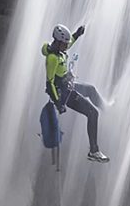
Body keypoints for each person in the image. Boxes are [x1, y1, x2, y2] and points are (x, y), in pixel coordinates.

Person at [42, 23, 110, 163]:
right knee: (92, 113)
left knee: (90, 89)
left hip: (67, 85)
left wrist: (77, 34)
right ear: (58, 42)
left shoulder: (58, 50)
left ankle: (108, 111)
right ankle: (94, 151)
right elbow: (50, 83)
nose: (67, 46)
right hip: (64, 94)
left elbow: (70, 42)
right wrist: (58, 103)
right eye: (65, 43)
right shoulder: (52, 59)